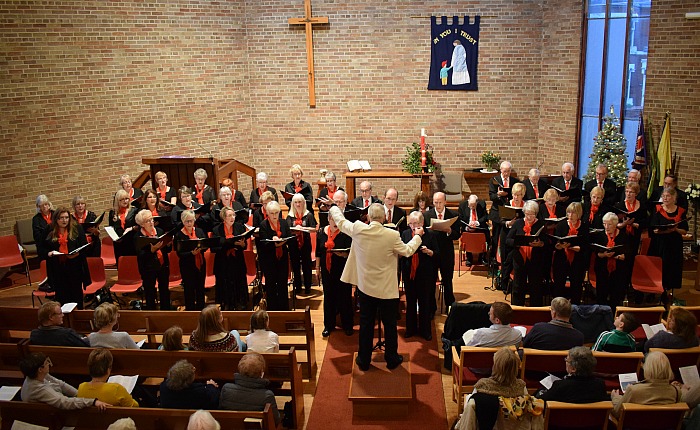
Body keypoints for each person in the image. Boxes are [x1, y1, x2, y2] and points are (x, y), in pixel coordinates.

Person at [326, 201, 423, 371]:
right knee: (390, 325)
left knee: (366, 324)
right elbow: (408, 251)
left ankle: (364, 360)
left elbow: (340, 222)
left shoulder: (358, 229)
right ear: (385, 218)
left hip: (366, 288)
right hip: (386, 290)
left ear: (369, 217)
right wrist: (418, 236)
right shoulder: (391, 235)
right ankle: (392, 359)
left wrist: (334, 207)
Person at [19, 351, 109, 410]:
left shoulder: (38, 375)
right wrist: (92, 401)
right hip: (54, 414)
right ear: (40, 369)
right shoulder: (39, 389)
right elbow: (64, 402)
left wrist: (79, 394)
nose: (49, 364)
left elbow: (60, 384)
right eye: (46, 362)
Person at [316, 198, 354, 337]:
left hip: (342, 268)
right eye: (332, 219)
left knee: (344, 297)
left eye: (337, 220)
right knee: (329, 297)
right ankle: (328, 325)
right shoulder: (321, 232)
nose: (335, 222)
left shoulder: (345, 233)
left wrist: (344, 254)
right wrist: (318, 268)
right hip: (327, 270)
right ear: (328, 219)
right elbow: (318, 252)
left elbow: (351, 252)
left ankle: (347, 325)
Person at [401, 211, 439, 340]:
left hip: (425, 274)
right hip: (409, 273)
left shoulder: (431, 235)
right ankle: (410, 329)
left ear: (422, 223)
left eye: (416, 223)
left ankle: (425, 331)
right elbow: (402, 253)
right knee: (410, 302)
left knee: (424, 303)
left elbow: (437, 254)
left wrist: (429, 252)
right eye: (410, 223)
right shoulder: (405, 234)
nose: (412, 226)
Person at [44, 207, 91, 309]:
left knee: (76, 295)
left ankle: (78, 315)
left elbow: (84, 246)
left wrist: (77, 254)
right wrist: (50, 253)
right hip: (58, 268)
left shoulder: (76, 228)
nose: (64, 220)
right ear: (56, 219)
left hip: (74, 267)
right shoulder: (50, 230)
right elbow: (44, 248)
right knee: (62, 296)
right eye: (61, 218)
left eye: (66, 217)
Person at [610, 351, 681, 418]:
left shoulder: (634, 390)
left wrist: (615, 397)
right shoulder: (676, 391)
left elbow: (616, 412)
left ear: (647, 368)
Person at [648, 187, 688, 303]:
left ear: (674, 198)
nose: (665, 198)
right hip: (659, 244)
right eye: (664, 196)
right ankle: (655, 292)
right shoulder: (657, 210)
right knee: (659, 268)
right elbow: (654, 229)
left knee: (671, 269)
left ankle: (667, 293)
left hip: (674, 245)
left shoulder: (680, 211)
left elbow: (684, 231)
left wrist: (675, 230)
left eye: (668, 196)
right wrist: (663, 231)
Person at [219, 352, 281, 426]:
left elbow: (221, 411)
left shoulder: (226, 389)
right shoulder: (267, 396)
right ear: (262, 373)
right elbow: (275, 420)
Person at [425, 192, 460, 313]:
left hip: (446, 253)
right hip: (433, 253)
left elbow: (457, 234)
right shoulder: (427, 215)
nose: (438, 205)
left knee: (447, 280)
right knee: (431, 281)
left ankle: (450, 306)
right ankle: (431, 307)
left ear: (445, 202)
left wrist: (449, 230)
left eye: (440, 202)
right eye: (435, 202)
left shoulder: (453, 215)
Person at [506, 200, 546, 306]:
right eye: (527, 214)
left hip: (535, 260)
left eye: (532, 214)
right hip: (520, 259)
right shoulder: (518, 223)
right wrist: (517, 243)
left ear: (536, 213)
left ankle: (536, 310)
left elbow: (547, 242)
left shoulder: (541, 224)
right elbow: (508, 239)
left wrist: (540, 244)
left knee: (535, 286)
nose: (529, 216)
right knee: (518, 286)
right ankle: (517, 308)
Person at [537, 346, 608, 403]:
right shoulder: (599, 385)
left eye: (567, 360)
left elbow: (539, 402)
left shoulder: (560, 386)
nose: (565, 362)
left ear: (573, 369)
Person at [211, 206, 249, 311]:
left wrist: (242, 244)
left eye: (233, 215)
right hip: (223, 262)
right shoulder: (216, 230)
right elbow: (214, 248)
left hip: (237, 261)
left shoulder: (239, 227)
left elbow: (244, 244)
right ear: (224, 217)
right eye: (229, 215)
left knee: (239, 283)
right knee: (225, 285)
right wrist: (228, 244)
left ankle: (240, 304)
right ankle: (226, 305)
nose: (232, 217)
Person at [551, 202, 589, 304]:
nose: (570, 215)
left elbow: (585, 246)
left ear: (579, 214)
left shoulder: (584, 226)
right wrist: (559, 246)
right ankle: (558, 307)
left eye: (573, 213)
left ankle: (575, 308)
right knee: (559, 285)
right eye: (569, 213)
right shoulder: (561, 225)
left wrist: (574, 247)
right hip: (562, 258)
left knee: (576, 286)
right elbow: (555, 243)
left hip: (577, 260)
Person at [258, 201, 293, 311]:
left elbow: (289, 238)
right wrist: (273, 242)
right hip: (269, 259)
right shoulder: (263, 225)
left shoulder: (283, 223)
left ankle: (284, 309)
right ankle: (272, 310)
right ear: (267, 213)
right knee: (271, 285)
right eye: (272, 213)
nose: (274, 215)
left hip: (282, 258)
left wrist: (282, 242)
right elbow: (263, 243)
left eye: (276, 213)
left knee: (282, 284)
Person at [615, 181, 647, 299]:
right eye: (627, 191)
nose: (628, 194)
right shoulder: (619, 206)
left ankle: (629, 289)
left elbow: (646, 221)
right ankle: (619, 291)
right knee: (621, 265)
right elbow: (615, 224)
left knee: (630, 263)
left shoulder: (642, 206)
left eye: (631, 192)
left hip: (634, 239)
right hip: (622, 239)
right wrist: (623, 225)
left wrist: (637, 225)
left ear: (636, 193)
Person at [134, 209, 172, 310]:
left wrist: (168, 245)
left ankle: (166, 310)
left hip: (162, 264)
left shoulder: (159, 231)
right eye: (148, 221)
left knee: (164, 289)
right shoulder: (138, 236)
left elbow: (166, 250)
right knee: (150, 291)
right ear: (142, 224)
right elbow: (140, 255)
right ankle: (152, 312)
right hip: (148, 268)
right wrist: (151, 251)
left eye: (151, 219)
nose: (151, 222)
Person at [593, 212, 629, 311]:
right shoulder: (600, 236)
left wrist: (617, 256)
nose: (606, 227)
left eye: (609, 224)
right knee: (601, 295)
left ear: (615, 224)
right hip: (602, 268)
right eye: (604, 224)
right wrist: (605, 255)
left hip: (618, 270)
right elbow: (597, 254)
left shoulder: (623, 236)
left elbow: (627, 255)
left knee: (615, 296)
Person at [495, 182, 527, 292]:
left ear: (523, 195)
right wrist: (509, 223)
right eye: (514, 194)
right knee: (505, 260)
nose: (516, 197)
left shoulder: (526, 206)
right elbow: (500, 220)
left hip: (518, 235)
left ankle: (512, 283)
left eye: (518, 195)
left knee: (513, 258)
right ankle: (504, 284)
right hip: (506, 234)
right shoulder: (507, 204)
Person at [175, 210, 207, 311]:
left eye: (191, 221)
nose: (189, 223)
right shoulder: (179, 235)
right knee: (189, 289)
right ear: (183, 222)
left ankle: (201, 310)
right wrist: (191, 253)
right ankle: (190, 311)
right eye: (187, 221)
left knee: (200, 288)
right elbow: (179, 253)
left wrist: (202, 248)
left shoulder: (199, 231)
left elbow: (206, 245)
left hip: (200, 263)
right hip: (187, 265)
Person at [287, 193, 317, 295]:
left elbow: (314, 229)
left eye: (300, 202)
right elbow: (287, 230)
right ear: (293, 204)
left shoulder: (308, 215)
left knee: (306, 265)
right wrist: (294, 230)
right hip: (293, 244)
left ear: (303, 203)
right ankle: (298, 286)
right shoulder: (290, 216)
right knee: (295, 266)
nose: (298, 204)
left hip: (305, 244)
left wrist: (303, 228)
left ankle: (308, 286)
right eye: (295, 202)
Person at [458, 194, 489, 265]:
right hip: (467, 228)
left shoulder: (482, 204)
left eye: (473, 206)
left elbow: (486, 217)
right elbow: (460, 219)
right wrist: (467, 226)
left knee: (486, 234)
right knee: (466, 235)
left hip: (479, 227)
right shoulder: (462, 205)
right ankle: (469, 258)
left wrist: (477, 222)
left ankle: (482, 257)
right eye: (470, 206)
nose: (471, 208)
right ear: (468, 202)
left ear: (477, 203)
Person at [109, 189, 138, 265]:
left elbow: (139, 225)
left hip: (132, 241)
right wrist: (114, 238)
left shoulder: (134, 210)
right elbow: (111, 227)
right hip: (119, 243)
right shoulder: (112, 213)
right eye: (122, 199)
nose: (125, 201)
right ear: (117, 201)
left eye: (126, 199)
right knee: (122, 266)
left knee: (133, 265)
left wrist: (131, 228)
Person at [33, 194, 55, 262]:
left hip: (57, 242)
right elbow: (37, 237)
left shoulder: (55, 214)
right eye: (42, 205)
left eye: (46, 204)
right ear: (38, 207)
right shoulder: (36, 219)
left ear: (49, 204)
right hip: (44, 245)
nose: (45, 207)